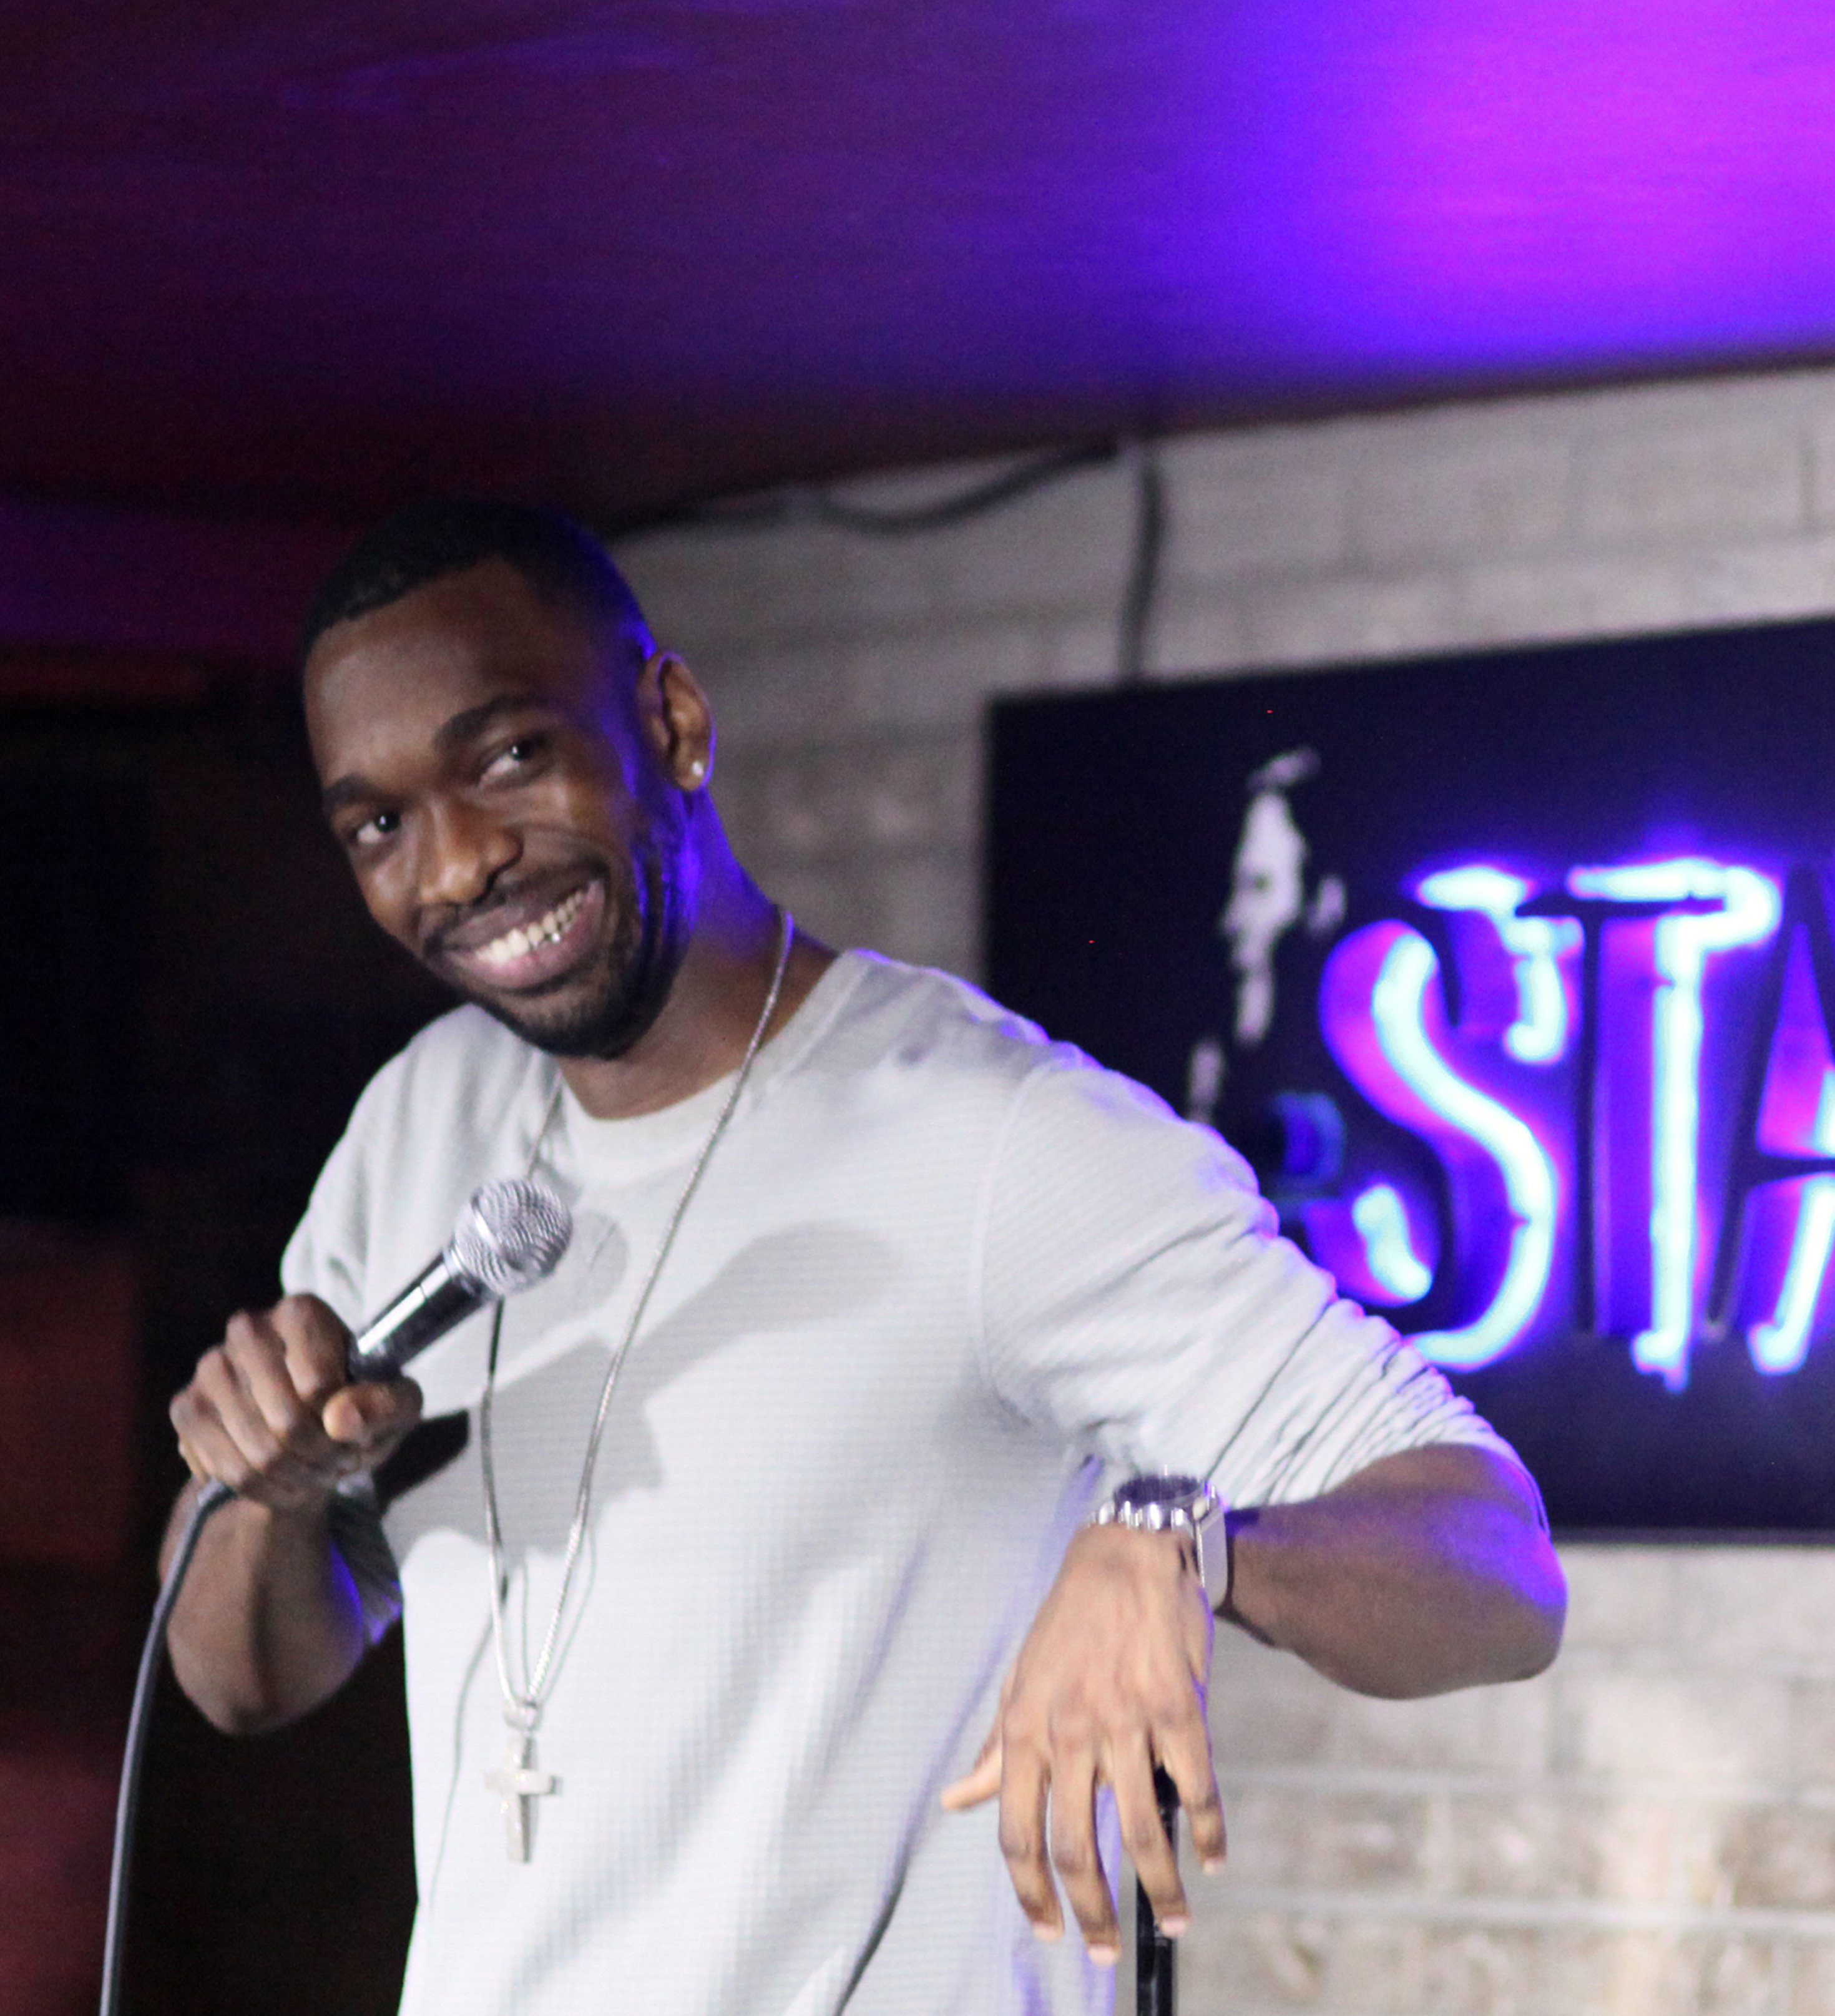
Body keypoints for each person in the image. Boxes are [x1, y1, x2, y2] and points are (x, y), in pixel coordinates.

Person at [164, 501, 1565, 2016]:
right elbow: (244, 1678)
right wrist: (274, 1502)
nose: (455, 867)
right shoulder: (420, 1125)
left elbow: (1499, 1568)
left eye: (509, 757)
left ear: (674, 723)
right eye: (379, 822)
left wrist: (1188, 1543)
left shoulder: (1001, 1142)